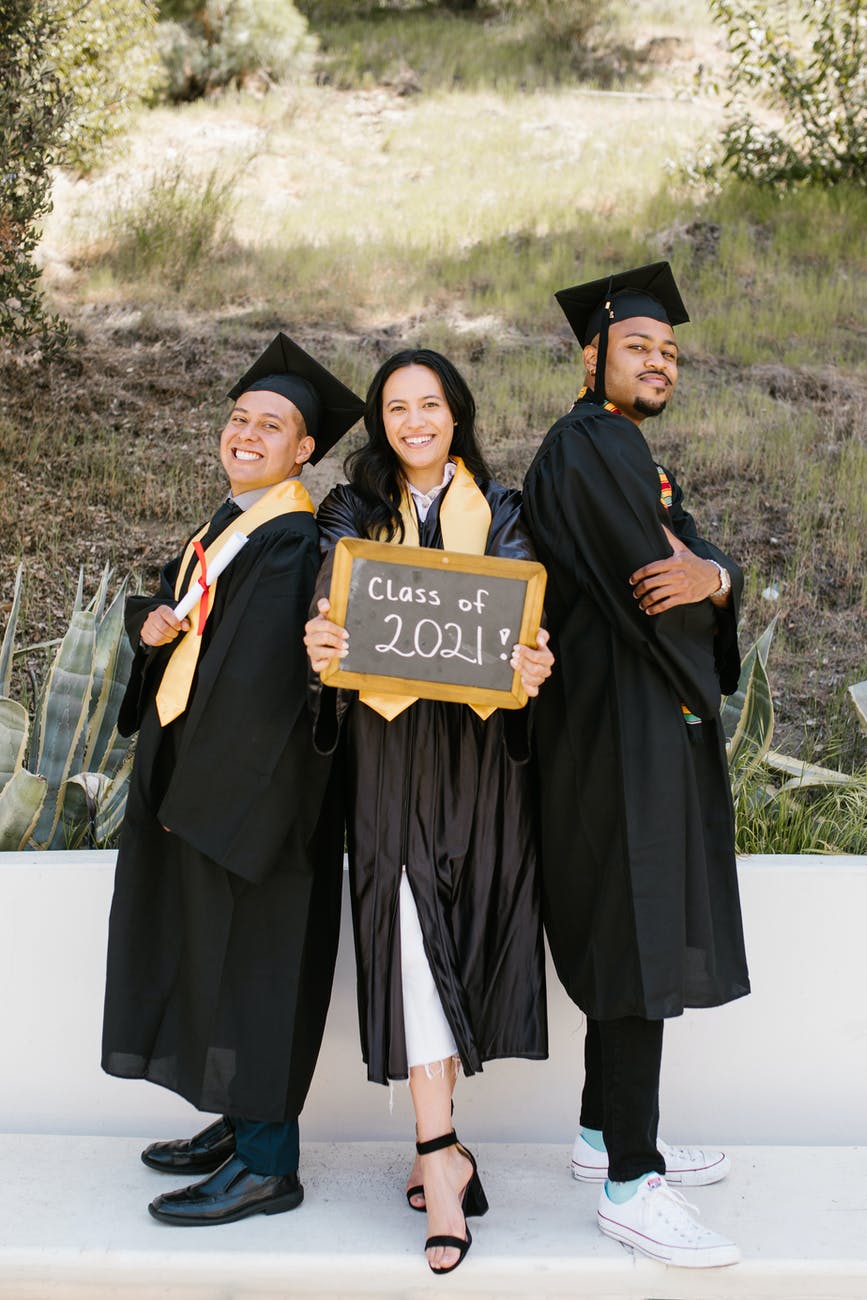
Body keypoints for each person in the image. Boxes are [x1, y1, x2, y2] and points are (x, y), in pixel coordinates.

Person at [101, 333, 364, 1226]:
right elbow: (201, 643)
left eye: (273, 425)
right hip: (202, 789)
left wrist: (199, 800)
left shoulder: (292, 543)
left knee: (257, 966)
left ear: (306, 451)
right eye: (239, 418)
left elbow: (263, 694)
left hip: (254, 808)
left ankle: (266, 1164)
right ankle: (236, 1121)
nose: (247, 433)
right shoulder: (230, 527)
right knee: (212, 957)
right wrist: (153, 627)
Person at [521, 263, 749, 1269]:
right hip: (612, 730)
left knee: (629, 930)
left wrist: (719, 572)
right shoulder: (589, 444)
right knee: (638, 939)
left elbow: (692, 557)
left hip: (621, 725)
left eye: (670, 353)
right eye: (639, 346)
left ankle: (596, 1136)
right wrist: (702, 576)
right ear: (592, 354)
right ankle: (630, 1181)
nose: (659, 362)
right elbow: (654, 582)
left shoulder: (622, 448)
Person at [304, 348, 552, 1274]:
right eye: (396, 407)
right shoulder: (349, 507)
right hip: (390, 752)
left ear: (457, 415)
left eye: (430, 405)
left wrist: (532, 662)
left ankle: (439, 1144)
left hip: (478, 756)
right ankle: (439, 1160)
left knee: (455, 930)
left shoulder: (507, 507)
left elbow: (527, 612)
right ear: (379, 421)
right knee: (406, 934)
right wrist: (321, 638)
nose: (413, 421)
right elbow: (329, 602)